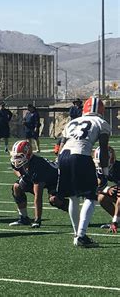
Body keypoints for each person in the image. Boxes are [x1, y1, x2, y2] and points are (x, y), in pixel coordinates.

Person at [57, 96, 111, 247]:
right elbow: (104, 150)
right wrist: (105, 172)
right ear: (101, 110)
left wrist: (59, 163)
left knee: (73, 197)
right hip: (80, 155)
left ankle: (77, 234)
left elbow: (62, 144)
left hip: (64, 156)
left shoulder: (72, 122)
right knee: (91, 196)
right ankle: (81, 236)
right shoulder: (101, 123)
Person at [9, 140, 68, 228]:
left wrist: (37, 220)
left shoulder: (38, 166)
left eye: (19, 156)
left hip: (55, 179)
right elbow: (15, 168)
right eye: (15, 156)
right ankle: (23, 217)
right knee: (16, 187)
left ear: (28, 154)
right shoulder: (21, 161)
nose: (16, 160)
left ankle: (75, 212)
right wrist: (21, 177)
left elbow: (38, 197)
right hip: (35, 176)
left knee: (54, 200)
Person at [93, 146, 119, 232]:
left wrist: (114, 221)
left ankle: (116, 221)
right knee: (101, 197)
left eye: (102, 164)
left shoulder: (118, 169)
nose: (100, 166)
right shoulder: (99, 170)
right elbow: (97, 188)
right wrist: (107, 189)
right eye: (99, 164)